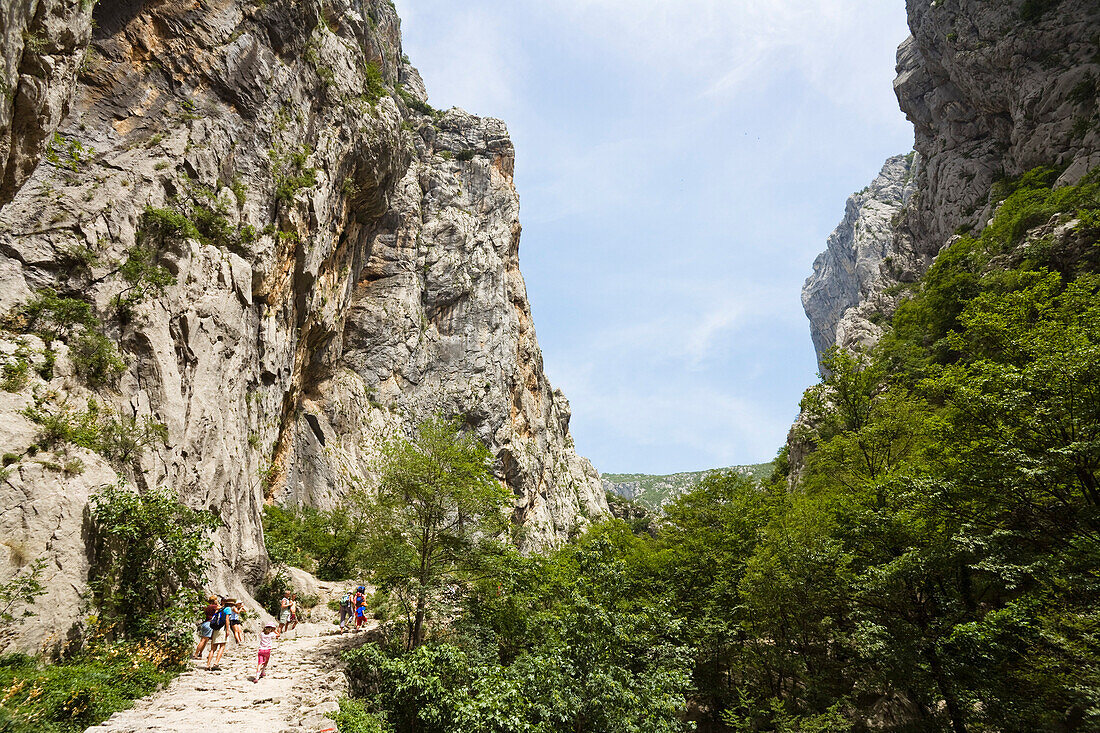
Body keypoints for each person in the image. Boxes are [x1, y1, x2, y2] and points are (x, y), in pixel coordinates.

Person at [205, 598, 232, 671]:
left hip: (215, 629)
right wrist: (228, 630)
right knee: (222, 646)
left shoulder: (219, 609)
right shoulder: (228, 609)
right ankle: (216, 663)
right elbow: (227, 619)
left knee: (213, 649)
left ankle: (207, 665)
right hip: (222, 629)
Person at [193, 595, 218, 659]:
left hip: (205, 623)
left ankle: (200, 653)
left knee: (205, 640)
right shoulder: (214, 606)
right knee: (203, 640)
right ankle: (196, 654)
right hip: (209, 624)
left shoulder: (207, 607)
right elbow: (220, 608)